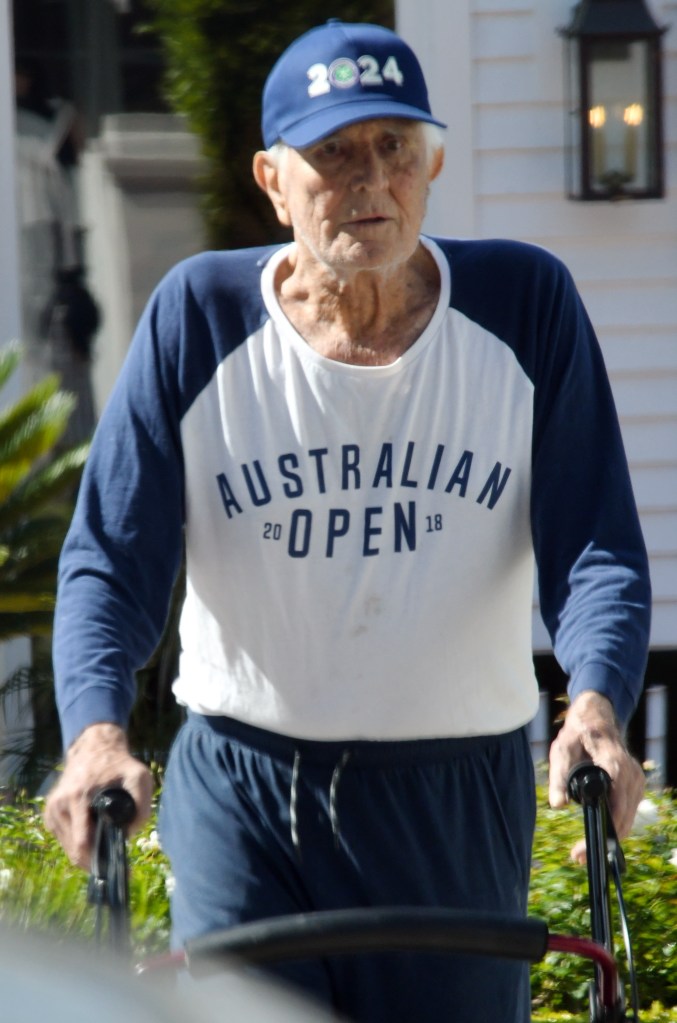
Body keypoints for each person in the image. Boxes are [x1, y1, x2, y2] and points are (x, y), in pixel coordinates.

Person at [44, 19, 650, 1023]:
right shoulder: (198, 319)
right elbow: (111, 560)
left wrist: (592, 708)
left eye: (394, 148)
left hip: (453, 790)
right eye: (331, 153)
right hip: (246, 784)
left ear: (433, 162)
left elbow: (594, 547)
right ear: (271, 181)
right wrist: (96, 734)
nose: (370, 180)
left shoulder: (522, 303)